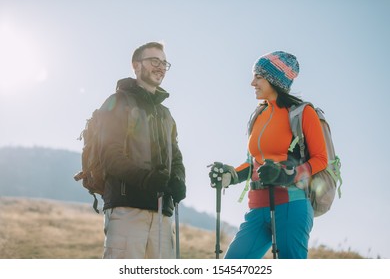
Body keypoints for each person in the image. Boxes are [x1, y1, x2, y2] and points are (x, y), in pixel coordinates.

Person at [209, 51, 327, 259]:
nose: (252, 82)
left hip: (292, 206)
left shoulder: (302, 112)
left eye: (258, 76)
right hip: (257, 209)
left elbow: (320, 159)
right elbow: (253, 163)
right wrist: (230, 175)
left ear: (275, 80)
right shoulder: (259, 114)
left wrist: (288, 174)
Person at [99, 42, 186, 259]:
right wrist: (147, 179)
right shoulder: (118, 102)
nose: (161, 67)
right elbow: (110, 155)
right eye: (154, 61)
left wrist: (178, 180)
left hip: (162, 214)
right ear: (136, 65)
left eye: (164, 63)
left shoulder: (166, 114)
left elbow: (175, 156)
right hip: (127, 209)